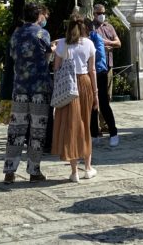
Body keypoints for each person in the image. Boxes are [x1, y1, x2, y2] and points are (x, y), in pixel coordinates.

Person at [3, 2, 53, 183]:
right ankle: (34, 170)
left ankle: (10, 170)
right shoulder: (42, 33)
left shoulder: (16, 34)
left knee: (16, 130)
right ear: (39, 14)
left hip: (20, 87)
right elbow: (47, 58)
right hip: (39, 88)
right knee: (37, 131)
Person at [51, 15, 98, 182]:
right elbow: (92, 70)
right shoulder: (89, 44)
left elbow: (56, 69)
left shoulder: (62, 44)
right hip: (85, 83)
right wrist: (96, 94)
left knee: (72, 126)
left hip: (68, 85)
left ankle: (74, 171)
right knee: (85, 124)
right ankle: (88, 167)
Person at [84, 18, 118, 147]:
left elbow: (98, 56)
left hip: (99, 73)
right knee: (92, 105)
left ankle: (113, 132)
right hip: (87, 73)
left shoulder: (95, 38)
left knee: (103, 103)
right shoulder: (81, 39)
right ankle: (93, 133)